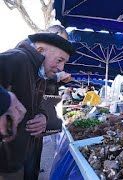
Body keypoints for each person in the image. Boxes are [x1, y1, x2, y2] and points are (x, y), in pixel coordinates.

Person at [0, 25, 74, 179]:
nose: (61, 68)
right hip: (5, 164)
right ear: (40, 51)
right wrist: (5, 100)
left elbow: (38, 104)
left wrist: (43, 116)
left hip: (24, 157)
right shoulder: (18, 58)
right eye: (60, 60)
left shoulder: (40, 73)